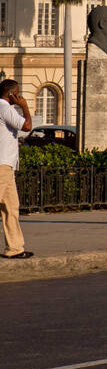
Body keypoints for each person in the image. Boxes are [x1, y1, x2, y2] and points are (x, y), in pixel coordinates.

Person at [0, 79, 34, 259]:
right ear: (11, 94)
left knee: (11, 207)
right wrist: (25, 107)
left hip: (7, 166)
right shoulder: (5, 109)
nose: (20, 96)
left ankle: (14, 248)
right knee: (9, 207)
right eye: (18, 93)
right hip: (2, 166)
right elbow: (27, 126)